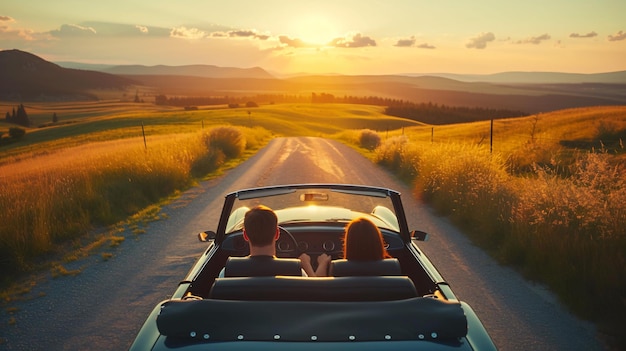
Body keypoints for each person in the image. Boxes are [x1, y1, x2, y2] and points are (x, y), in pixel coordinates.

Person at [219, 205, 307, 277]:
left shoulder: (227, 272)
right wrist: (308, 265)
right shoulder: (296, 271)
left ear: (245, 235)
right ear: (277, 234)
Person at [300, 217, 391, 277]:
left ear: (349, 243)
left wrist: (319, 264)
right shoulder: (391, 268)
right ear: (378, 241)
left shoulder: (339, 269)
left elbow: (318, 292)